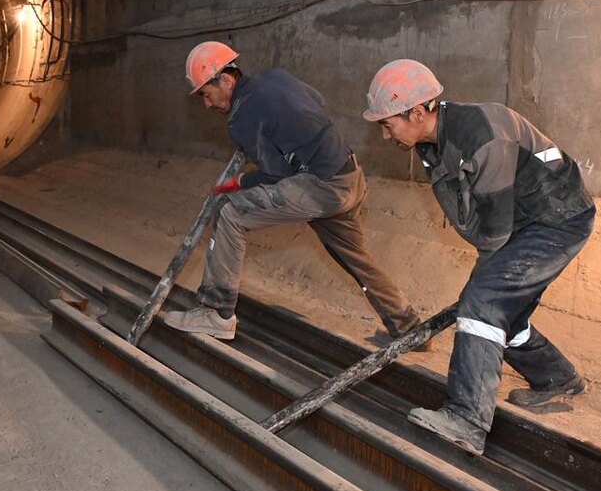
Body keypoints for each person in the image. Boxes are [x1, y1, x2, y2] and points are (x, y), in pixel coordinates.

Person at [362, 59, 595, 455]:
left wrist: (480, 291)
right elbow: (476, 219)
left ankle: (467, 420)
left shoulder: (483, 137)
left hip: (558, 218)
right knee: (501, 307)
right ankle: (556, 378)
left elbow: (496, 233)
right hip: (527, 219)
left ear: (417, 113)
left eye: (387, 124)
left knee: (484, 303)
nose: (385, 135)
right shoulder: (433, 143)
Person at [165, 41, 423, 344]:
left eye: (206, 95)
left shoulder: (241, 117)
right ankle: (407, 325)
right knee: (354, 255)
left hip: (321, 186)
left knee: (230, 213)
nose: (207, 105)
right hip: (350, 174)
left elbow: (277, 175)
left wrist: (241, 182)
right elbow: (317, 100)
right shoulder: (275, 77)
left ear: (225, 79)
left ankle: (216, 313)